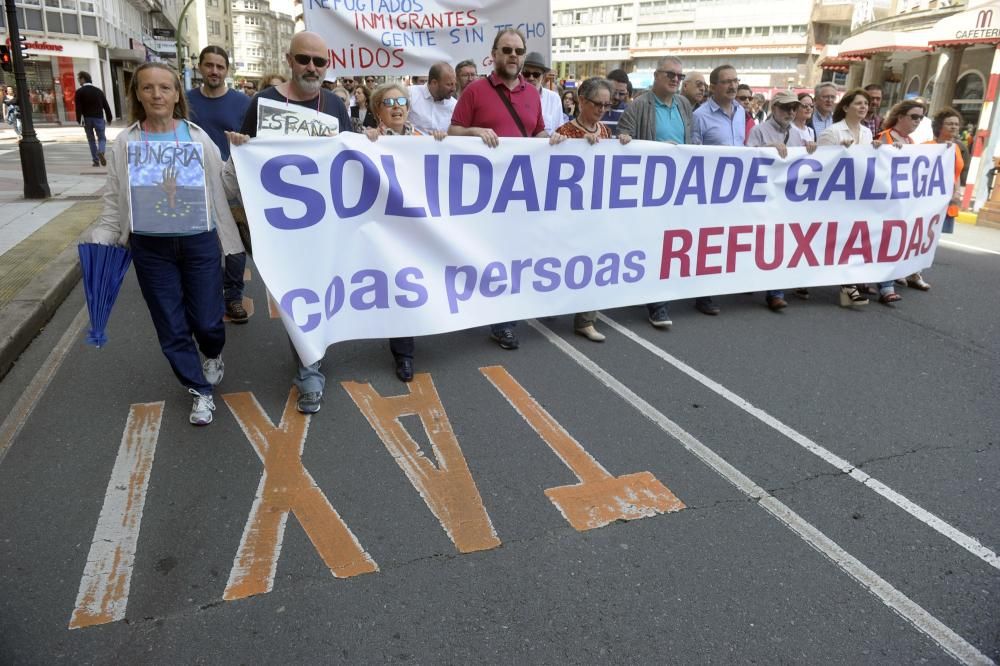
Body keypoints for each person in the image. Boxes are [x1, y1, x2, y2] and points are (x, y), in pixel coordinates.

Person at [91, 62, 245, 425]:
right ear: (137, 95)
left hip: (200, 243)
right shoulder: (126, 143)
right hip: (150, 249)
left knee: (208, 321)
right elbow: (114, 201)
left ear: (177, 94)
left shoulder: (196, 137)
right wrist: (102, 241)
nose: (157, 95)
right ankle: (199, 391)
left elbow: (224, 185)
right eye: (148, 88)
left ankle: (211, 354)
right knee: (170, 325)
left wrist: (239, 157)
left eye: (164, 88)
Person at [232, 31, 354, 415]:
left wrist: (370, 140)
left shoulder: (334, 104)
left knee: (321, 293)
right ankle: (309, 370)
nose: (311, 68)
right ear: (289, 59)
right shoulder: (263, 102)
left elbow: (351, 159)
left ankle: (311, 358)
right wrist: (239, 146)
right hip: (281, 227)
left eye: (319, 62)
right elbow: (247, 159)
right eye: (304, 59)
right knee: (293, 295)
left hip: (326, 224)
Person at [448, 27, 565, 351]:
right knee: (483, 253)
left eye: (518, 51)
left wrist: (551, 139)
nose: (513, 56)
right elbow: (453, 131)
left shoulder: (532, 94)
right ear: (494, 55)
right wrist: (475, 130)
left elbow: (537, 131)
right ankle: (473, 307)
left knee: (513, 256)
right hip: (483, 193)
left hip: (521, 192)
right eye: (507, 50)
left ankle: (504, 322)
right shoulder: (475, 91)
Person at [363, 82, 447, 382]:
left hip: (417, 228)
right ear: (377, 111)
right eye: (389, 103)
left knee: (414, 285)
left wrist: (441, 143)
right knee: (397, 288)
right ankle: (404, 354)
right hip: (384, 228)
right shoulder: (365, 142)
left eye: (402, 101)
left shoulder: (423, 139)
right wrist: (367, 142)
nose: (397, 107)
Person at [618, 55, 694, 329]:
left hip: (677, 186)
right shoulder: (639, 106)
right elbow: (623, 140)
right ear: (656, 76)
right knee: (652, 242)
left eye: (679, 76)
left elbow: (692, 139)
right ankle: (656, 304)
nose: (675, 79)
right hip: (648, 188)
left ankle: (658, 293)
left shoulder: (684, 104)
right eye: (670, 74)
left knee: (670, 242)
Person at [554, 77, 632, 342]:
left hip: (596, 212)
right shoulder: (565, 131)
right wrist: (560, 143)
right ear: (582, 101)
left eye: (606, 105)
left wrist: (622, 143)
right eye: (597, 104)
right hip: (569, 213)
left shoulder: (606, 132)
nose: (602, 110)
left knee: (593, 263)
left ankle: (586, 319)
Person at [186, 46, 253, 326]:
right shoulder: (185, 100)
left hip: (232, 186)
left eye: (220, 66)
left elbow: (254, 139)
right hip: (192, 185)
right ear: (200, 67)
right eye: (209, 65)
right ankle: (206, 297)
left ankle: (233, 296)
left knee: (235, 245)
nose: (214, 71)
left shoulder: (243, 102)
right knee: (201, 246)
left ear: (227, 70)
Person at [746, 90, 819, 311]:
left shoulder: (799, 134)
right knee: (757, 241)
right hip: (762, 195)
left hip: (786, 198)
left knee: (781, 243)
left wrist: (812, 150)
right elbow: (745, 157)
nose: (790, 112)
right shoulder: (759, 131)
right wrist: (765, 151)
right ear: (774, 108)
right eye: (785, 107)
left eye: (793, 108)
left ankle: (775, 293)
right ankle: (747, 277)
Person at [689, 63, 748, 316]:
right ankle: (703, 293)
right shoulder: (700, 116)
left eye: (735, 80)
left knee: (728, 237)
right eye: (726, 82)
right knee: (707, 240)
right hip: (709, 189)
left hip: (735, 189)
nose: (733, 85)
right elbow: (692, 154)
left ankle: (723, 281)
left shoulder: (741, 112)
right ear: (713, 87)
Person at [817, 88, 875, 308]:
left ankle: (847, 286)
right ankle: (844, 285)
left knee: (852, 239)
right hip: (835, 196)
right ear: (845, 107)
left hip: (858, 196)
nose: (863, 107)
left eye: (866, 104)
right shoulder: (833, 132)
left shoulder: (867, 133)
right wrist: (839, 152)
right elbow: (820, 166)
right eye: (859, 103)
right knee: (835, 239)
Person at [877, 99, 931, 298]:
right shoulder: (884, 138)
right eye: (914, 117)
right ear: (900, 117)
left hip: (902, 202)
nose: (917, 121)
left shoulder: (910, 142)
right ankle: (886, 286)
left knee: (896, 241)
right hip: (884, 202)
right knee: (886, 242)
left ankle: (892, 280)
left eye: (921, 118)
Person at [928, 107, 965, 236]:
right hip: (928, 201)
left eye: (956, 124)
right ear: (939, 127)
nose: (954, 127)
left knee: (936, 238)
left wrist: (957, 192)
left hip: (948, 201)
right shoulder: (927, 146)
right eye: (949, 124)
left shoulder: (956, 148)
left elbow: (957, 172)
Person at [74, 72, 113, 167]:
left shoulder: (79, 92)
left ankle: (96, 161)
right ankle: (101, 151)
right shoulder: (98, 91)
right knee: (102, 138)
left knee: (91, 140)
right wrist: (109, 117)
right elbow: (106, 105)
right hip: (99, 118)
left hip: (87, 119)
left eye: (79, 79)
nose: (79, 81)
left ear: (83, 79)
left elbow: (78, 108)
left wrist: (79, 119)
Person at [407, 62, 457, 134]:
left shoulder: (454, 105)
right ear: (434, 83)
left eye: (455, 84)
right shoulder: (410, 94)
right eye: (449, 85)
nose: (453, 89)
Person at [521, 52, 563, 135]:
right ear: (521, 74)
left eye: (536, 74)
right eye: (527, 73)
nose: (531, 78)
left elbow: (559, 130)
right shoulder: (513, 96)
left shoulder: (554, 98)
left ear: (543, 76)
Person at [602, 69, 631, 136]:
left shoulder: (629, 112)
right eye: (613, 92)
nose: (617, 97)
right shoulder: (595, 108)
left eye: (621, 93)